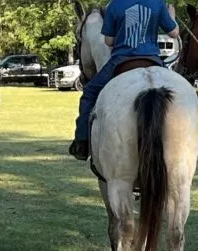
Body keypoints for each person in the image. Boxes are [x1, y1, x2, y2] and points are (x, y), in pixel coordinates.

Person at [68, 0, 180, 160]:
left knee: (89, 94)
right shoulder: (157, 4)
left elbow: (108, 41)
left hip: (121, 62)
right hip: (153, 60)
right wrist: (171, 15)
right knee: (179, 94)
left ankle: (82, 142)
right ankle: (190, 136)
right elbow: (174, 33)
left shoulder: (115, 5)